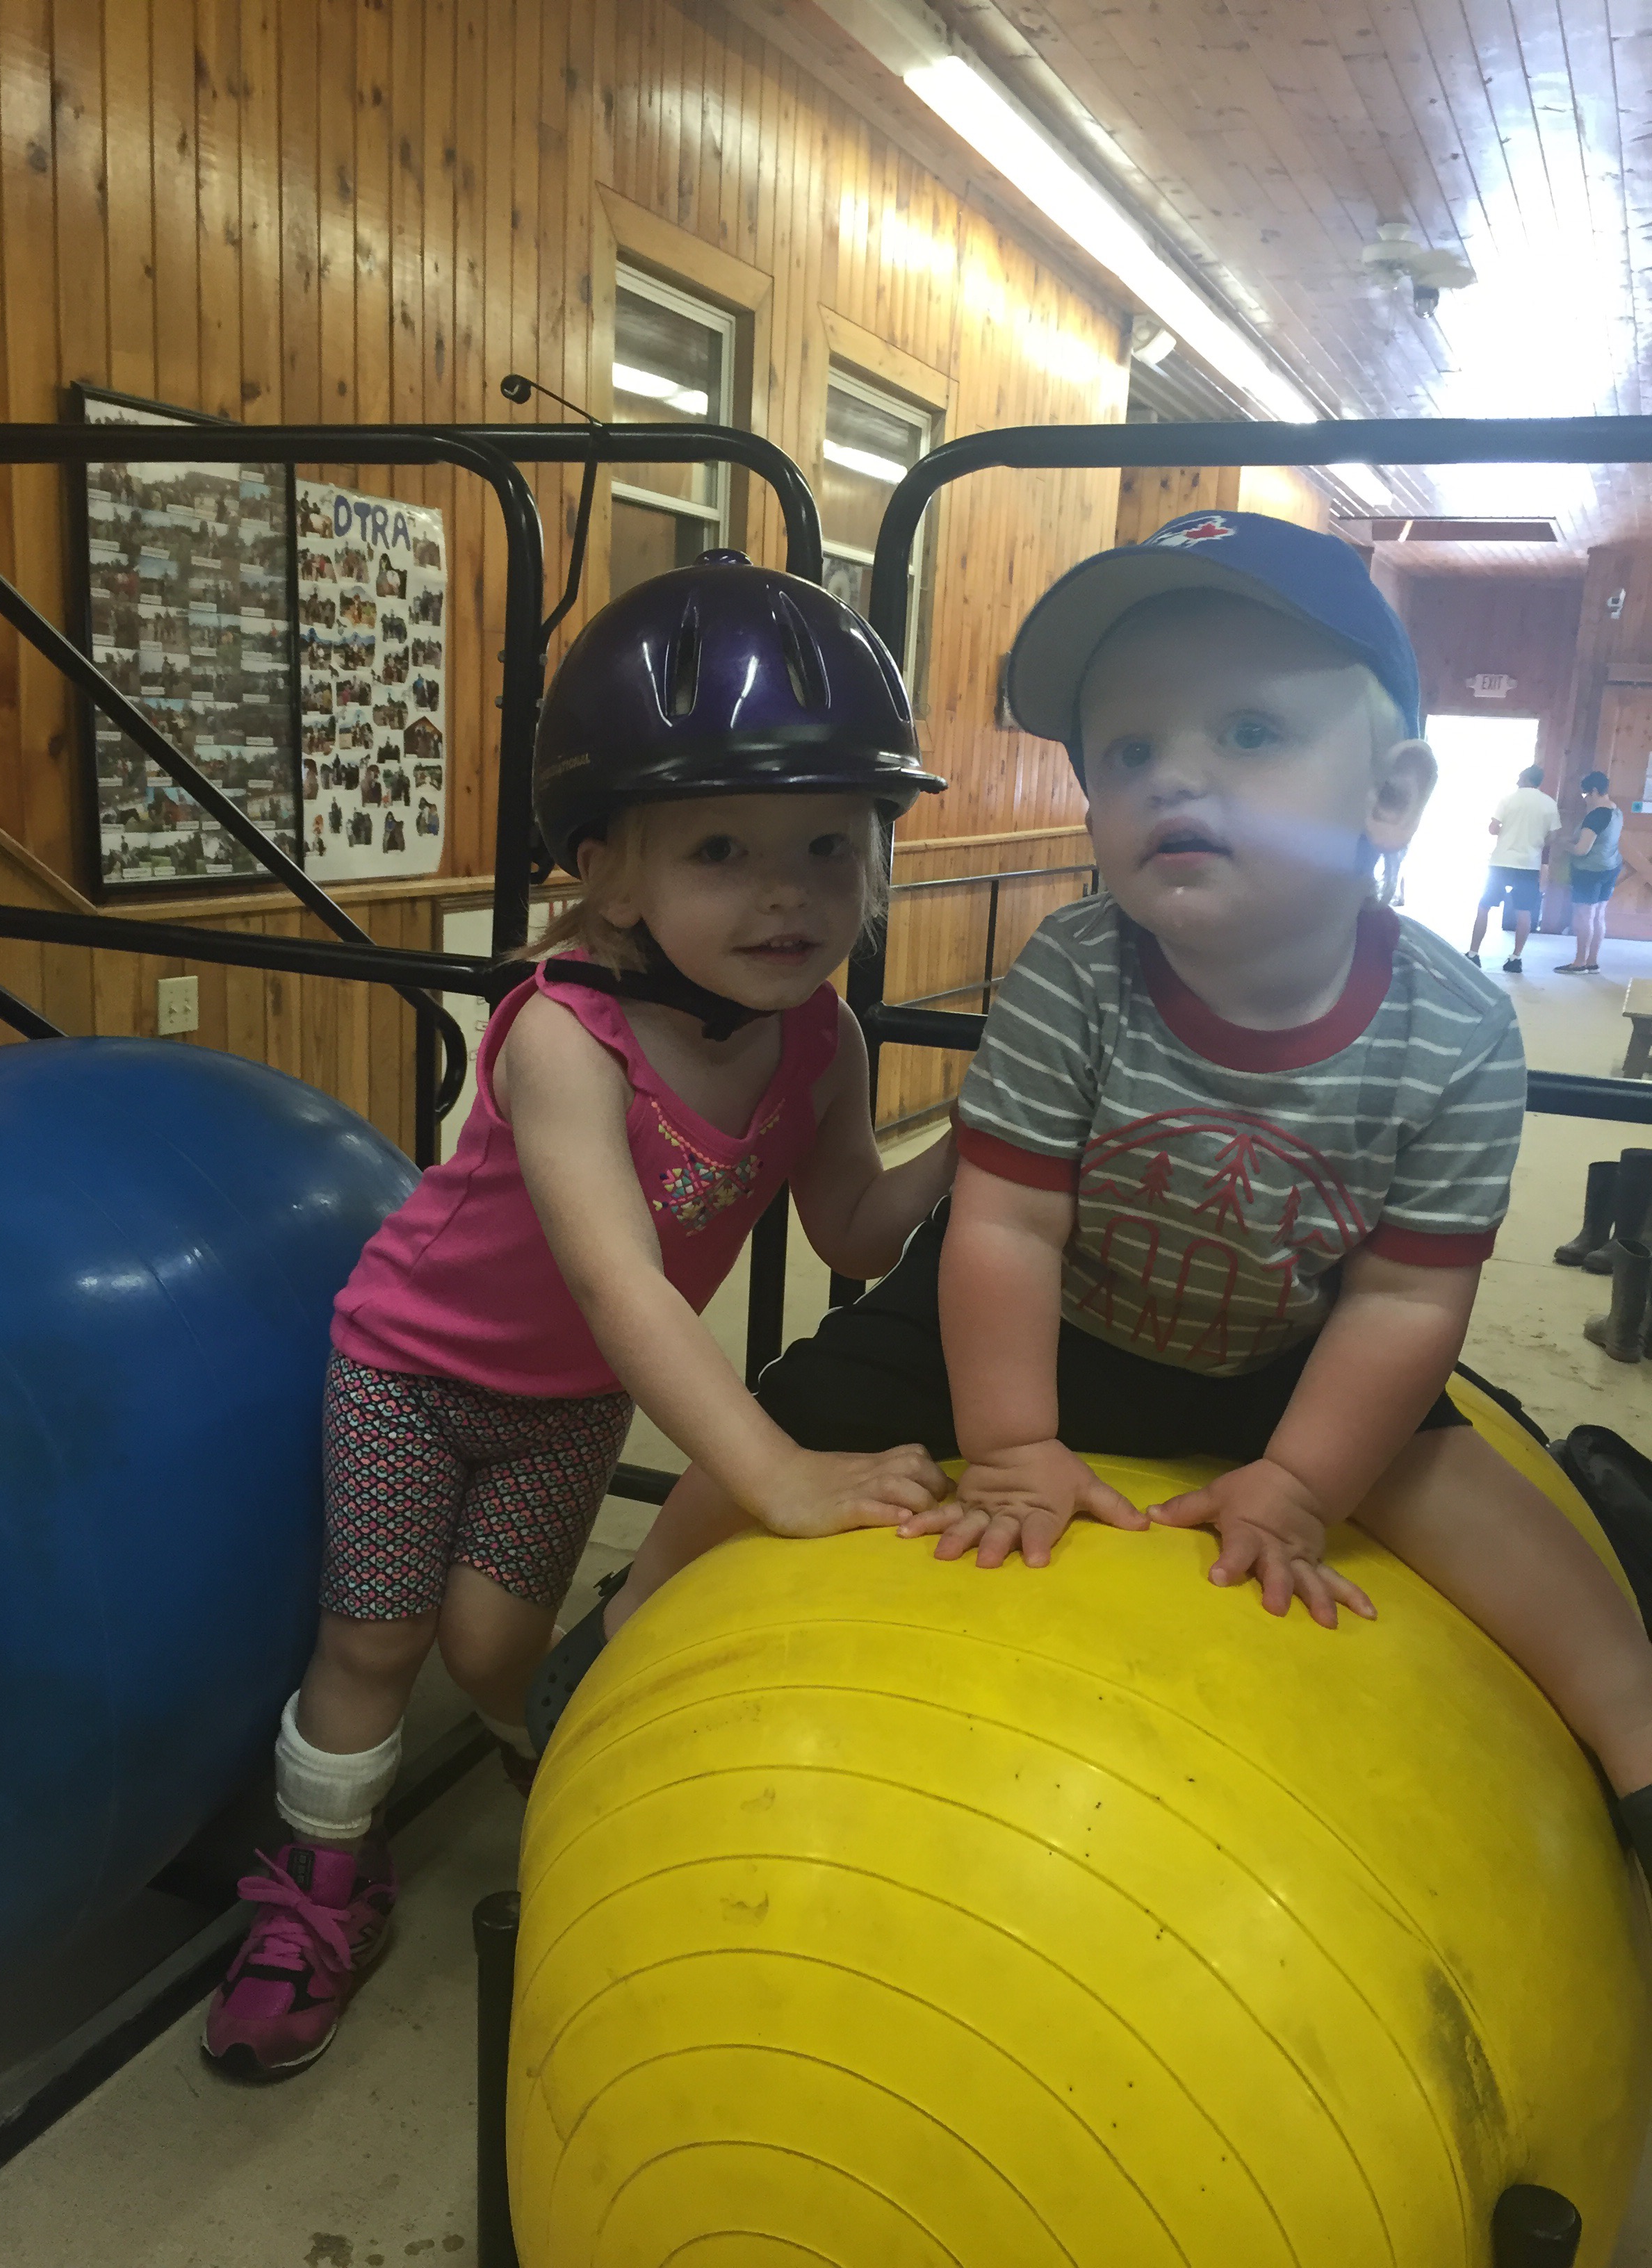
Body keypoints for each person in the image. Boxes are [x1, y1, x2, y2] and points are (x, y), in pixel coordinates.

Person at [542, 511, 1652, 1897]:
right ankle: (616, 1640)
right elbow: (1005, 1227)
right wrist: (1011, 1444)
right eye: (1127, 752)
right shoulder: (1076, 967)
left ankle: (1634, 1738)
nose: (1173, 773)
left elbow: (1405, 1295)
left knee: (1547, 1569)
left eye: (1250, 732)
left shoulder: (1461, 1030)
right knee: (774, 1432)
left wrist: (1302, 1484)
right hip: (1024, 1319)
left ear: (1391, 795)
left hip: (1286, 1347)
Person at [201, 552, 958, 2078]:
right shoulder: (565, 1035)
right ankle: (317, 1892)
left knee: (495, 1649)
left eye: (829, 843)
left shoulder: (822, 1037)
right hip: (411, 1370)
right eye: (723, 848)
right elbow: (621, 1287)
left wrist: (987, 1138)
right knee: (377, 1641)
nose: (787, 891)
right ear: (610, 876)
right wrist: (772, 1471)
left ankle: (562, 1766)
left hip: (565, 1403)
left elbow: (853, 1230)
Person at [1467, 763, 1561, 972]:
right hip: (1529, 864)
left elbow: (1493, 829)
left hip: (1502, 861)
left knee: (1484, 906)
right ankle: (1515, 958)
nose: (1517, 782)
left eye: (1519, 778)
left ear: (1526, 779)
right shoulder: (1549, 803)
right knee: (1524, 911)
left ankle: (1473, 954)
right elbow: (1553, 836)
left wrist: (1506, 830)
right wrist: (1536, 841)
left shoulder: (1508, 800)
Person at [1555, 770, 1622, 975]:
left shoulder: (1596, 816)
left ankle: (1579, 963)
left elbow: (1581, 850)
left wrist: (1564, 845)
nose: (1585, 799)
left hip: (1589, 871)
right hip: (1611, 867)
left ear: (1594, 791)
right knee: (1599, 915)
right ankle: (1592, 962)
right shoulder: (1616, 811)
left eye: (1585, 794)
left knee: (1584, 915)